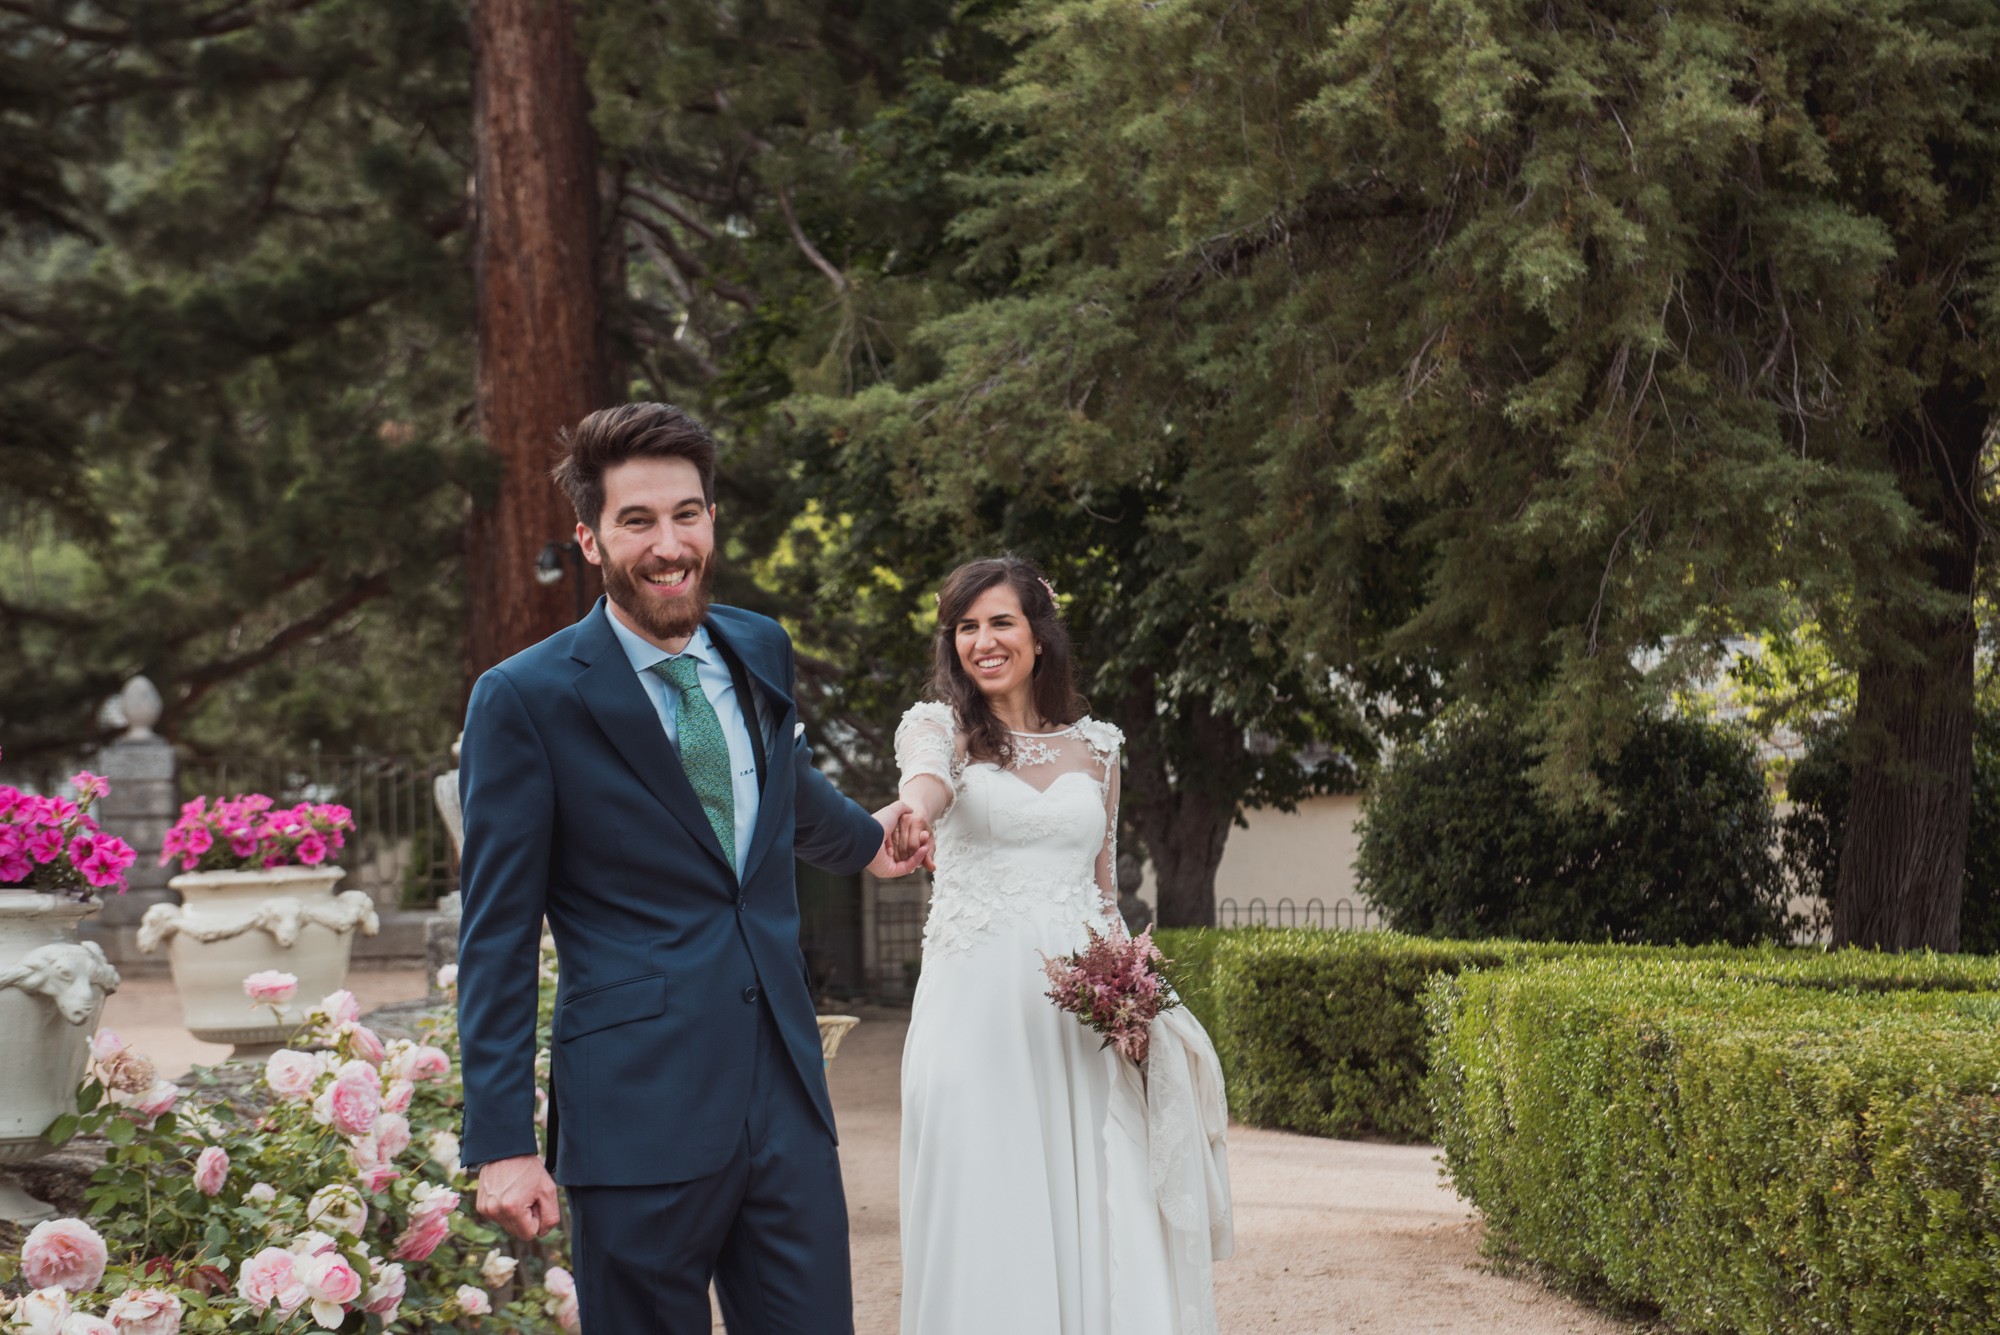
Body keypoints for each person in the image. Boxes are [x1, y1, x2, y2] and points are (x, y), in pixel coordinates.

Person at [454, 402, 931, 1335]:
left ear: (711, 519)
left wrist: (875, 843)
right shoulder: (524, 699)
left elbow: (783, 794)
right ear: (590, 539)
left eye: (687, 514)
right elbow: (498, 937)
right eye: (638, 521)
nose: (668, 545)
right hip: (637, 1114)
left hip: (786, 1101)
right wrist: (503, 1144)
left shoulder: (759, 647)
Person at [890, 556, 1233, 1335]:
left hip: (1079, 1017)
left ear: (1038, 636)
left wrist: (1134, 994)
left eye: (1000, 621)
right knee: (984, 1184)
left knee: (1100, 1192)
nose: (983, 640)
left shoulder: (1099, 747)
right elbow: (925, 785)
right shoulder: (937, 728)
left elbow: (1102, 889)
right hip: (975, 1006)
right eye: (966, 627)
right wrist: (908, 814)